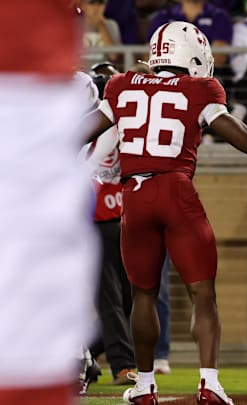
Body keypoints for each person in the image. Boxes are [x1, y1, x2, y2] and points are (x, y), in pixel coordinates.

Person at [79, 21, 247, 405]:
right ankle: (209, 383)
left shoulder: (122, 85)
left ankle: (145, 385)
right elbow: (246, 140)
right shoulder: (200, 89)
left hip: (134, 195)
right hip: (175, 191)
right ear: (193, 56)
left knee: (142, 295)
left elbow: (74, 134)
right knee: (202, 293)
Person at [0, 2, 99, 405]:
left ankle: (74, 358)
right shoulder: (79, 84)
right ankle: (78, 357)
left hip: (51, 189)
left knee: (47, 273)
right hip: (52, 186)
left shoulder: (72, 85)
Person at [79, 71, 137, 387]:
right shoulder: (89, 130)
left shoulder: (126, 127)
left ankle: (82, 354)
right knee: (110, 298)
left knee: (127, 300)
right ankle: (122, 365)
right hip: (93, 222)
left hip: (120, 218)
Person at [147, 0, 233, 67]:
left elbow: (218, 57)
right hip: (170, 76)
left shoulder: (219, 16)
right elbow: (148, 55)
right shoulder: (163, 16)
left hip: (207, 78)